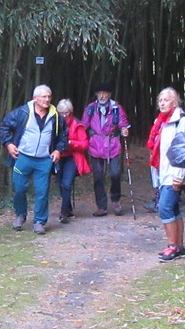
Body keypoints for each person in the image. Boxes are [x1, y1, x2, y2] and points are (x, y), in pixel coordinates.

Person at [0, 85, 68, 235]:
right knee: (19, 188)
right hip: (22, 157)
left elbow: (63, 136)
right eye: (43, 96)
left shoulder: (56, 116)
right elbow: (4, 127)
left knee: (42, 191)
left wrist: (58, 150)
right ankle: (20, 215)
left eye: (49, 96)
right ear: (35, 98)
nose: (47, 99)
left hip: (44, 159)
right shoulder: (22, 112)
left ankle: (39, 221)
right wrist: (9, 144)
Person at [155, 87, 185, 261]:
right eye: (160, 100)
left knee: (164, 207)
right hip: (165, 172)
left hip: (174, 173)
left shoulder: (181, 121)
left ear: (175, 102)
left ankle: (172, 246)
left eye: (166, 100)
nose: (162, 103)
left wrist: (179, 175)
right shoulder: (162, 121)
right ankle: (178, 246)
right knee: (173, 208)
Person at [83, 82, 131, 216]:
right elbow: (84, 125)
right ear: (96, 94)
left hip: (112, 144)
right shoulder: (90, 108)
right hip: (95, 145)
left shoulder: (116, 108)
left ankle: (116, 200)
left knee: (115, 174)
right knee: (98, 177)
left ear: (109, 94)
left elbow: (123, 123)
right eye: (100, 93)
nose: (102, 96)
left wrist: (124, 129)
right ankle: (101, 206)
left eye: (105, 93)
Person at [55, 99, 90, 224]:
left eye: (66, 113)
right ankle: (68, 208)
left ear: (71, 112)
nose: (64, 115)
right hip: (58, 157)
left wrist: (70, 143)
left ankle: (64, 212)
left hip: (72, 157)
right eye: (61, 113)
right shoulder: (54, 122)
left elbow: (84, 144)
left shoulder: (77, 124)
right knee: (60, 184)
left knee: (67, 183)